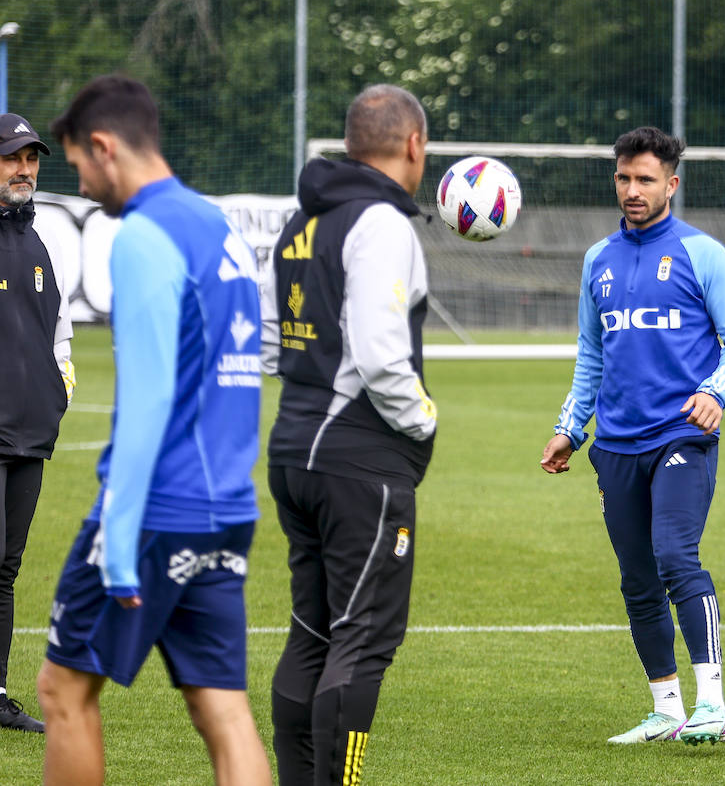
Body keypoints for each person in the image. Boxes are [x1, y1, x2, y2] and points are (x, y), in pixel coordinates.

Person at [35, 76, 270, 785]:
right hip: (225, 507)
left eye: (77, 163)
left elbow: (145, 403)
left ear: (104, 147)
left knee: (63, 691)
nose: (80, 179)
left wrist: (118, 542)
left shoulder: (144, 235)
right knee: (222, 709)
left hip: (157, 511)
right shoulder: (217, 227)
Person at [540, 125, 725, 746]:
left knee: (673, 557)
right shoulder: (597, 260)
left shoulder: (702, 253)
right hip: (615, 446)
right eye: (623, 178)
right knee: (637, 578)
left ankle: (712, 705)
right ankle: (667, 709)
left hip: (680, 437)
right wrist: (569, 429)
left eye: (645, 179)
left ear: (671, 184)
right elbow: (592, 355)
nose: (632, 190)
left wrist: (716, 392)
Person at [261, 84, 437, 785]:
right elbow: (379, 354)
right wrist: (423, 420)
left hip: (295, 447)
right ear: (413, 145)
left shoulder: (299, 219)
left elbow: (274, 334)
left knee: (312, 630)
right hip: (359, 460)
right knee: (361, 642)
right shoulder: (383, 224)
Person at [0, 112, 76, 734]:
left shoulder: (36, 241)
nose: (23, 170)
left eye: (30, 159)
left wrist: (59, 389)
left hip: (29, 435)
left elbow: (57, 330)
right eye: (11, 158)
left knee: (4, 569)